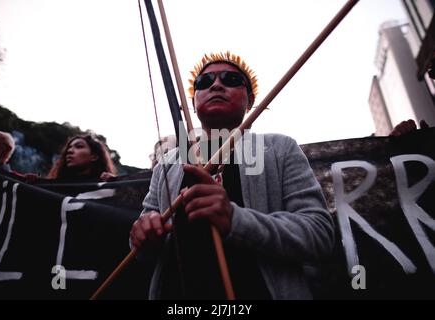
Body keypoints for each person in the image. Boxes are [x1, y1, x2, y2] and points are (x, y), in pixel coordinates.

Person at [130, 52, 334, 299]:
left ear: (250, 101)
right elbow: (141, 246)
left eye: (230, 79)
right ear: (193, 103)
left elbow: (319, 235)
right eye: (204, 82)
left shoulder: (279, 148)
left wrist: (235, 219)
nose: (216, 85)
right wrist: (143, 235)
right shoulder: (169, 162)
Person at [47, 134, 117, 182]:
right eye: (69, 148)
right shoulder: (54, 187)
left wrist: (116, 184)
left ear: (94, 157)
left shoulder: (107, 185)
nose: (69, 151)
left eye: (79, 146)